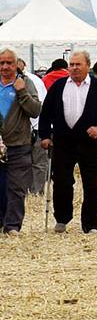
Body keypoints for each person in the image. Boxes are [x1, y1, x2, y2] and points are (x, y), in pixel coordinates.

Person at [38, 50, 97, 234]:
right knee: (61, 182)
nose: (74, 68)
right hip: (63, 143)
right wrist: (45, 135)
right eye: (71, 64)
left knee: (93, 184)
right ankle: (62, 219)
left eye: (78, 64)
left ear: (88, 66)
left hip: (90, 143)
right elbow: (45, 113)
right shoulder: (59, 86)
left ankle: (91, 224)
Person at [0, 49, 44, 234]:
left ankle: (12, 226)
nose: (5, 67)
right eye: (2, 63)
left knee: (17, 188)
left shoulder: (25, 83)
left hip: (19, 144)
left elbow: (35, 110)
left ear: (16, 64)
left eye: (9, 63)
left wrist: (22, 92)